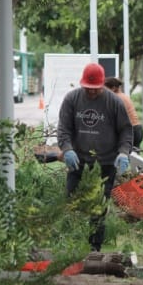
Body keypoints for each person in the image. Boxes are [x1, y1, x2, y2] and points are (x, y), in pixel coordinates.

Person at [57, 62, 133, 251]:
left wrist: (124, 153)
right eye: (88, 89)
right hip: (78, 161)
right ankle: (69, 243)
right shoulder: (72, 99)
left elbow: (126, 131)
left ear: (102, 85)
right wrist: (67, 149)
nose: (91, 92)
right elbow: (64, 129)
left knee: (98, 206)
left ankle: (94, 246)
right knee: (71, 200)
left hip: (105, 163)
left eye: (95, 89)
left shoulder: (114, 102)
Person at [104, 76, 143, 150]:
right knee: (134, 158)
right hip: (137, 128)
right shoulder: (123, 96)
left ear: (113, 88)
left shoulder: (116, 98)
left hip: (131, 130)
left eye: (105, 88)